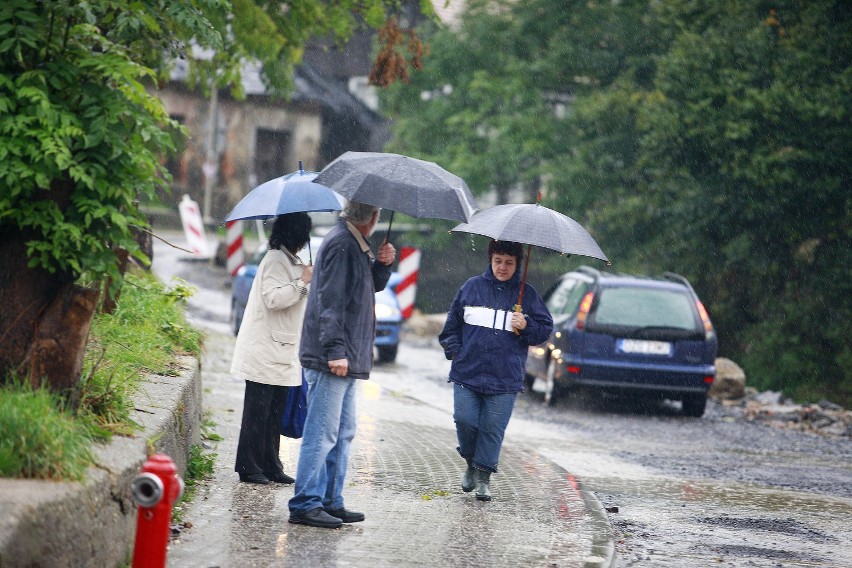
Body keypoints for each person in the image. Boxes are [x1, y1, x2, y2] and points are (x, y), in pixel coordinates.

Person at [288, 201, 396, 529]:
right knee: (322, 433)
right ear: (373, 217)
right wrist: (335, 350)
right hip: (332, 358)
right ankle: (306, 502)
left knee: (343, 432)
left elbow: (367, 288)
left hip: (348, 357)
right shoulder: (342, 245)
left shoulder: (353, 245)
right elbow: (330, 302)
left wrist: (382, 265)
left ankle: (330, 500)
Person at [439, 239, 553, 501]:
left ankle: (483, 477)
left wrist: (526, 325)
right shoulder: (471, 288)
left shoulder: (528, 295)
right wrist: (456, 352)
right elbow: (450, 328)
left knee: (492, 428)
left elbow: (543, 331)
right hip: (467, 373)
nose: (503, 267)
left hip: (505, 379)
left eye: (509, 263)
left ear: (518, 264)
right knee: (465, 421)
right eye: (498, 261)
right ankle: (470, 462)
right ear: (490, 260)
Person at [231, 212, 314, 485]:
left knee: (274, 412)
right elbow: (274, 298)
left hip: (282, 348)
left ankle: (271, 464)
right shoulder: (276, 260)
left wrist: (306, 278)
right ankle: (249, 466)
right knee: (258, 411)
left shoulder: (292, 260)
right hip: (265, 349)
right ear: (298, 234)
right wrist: (303, 281)